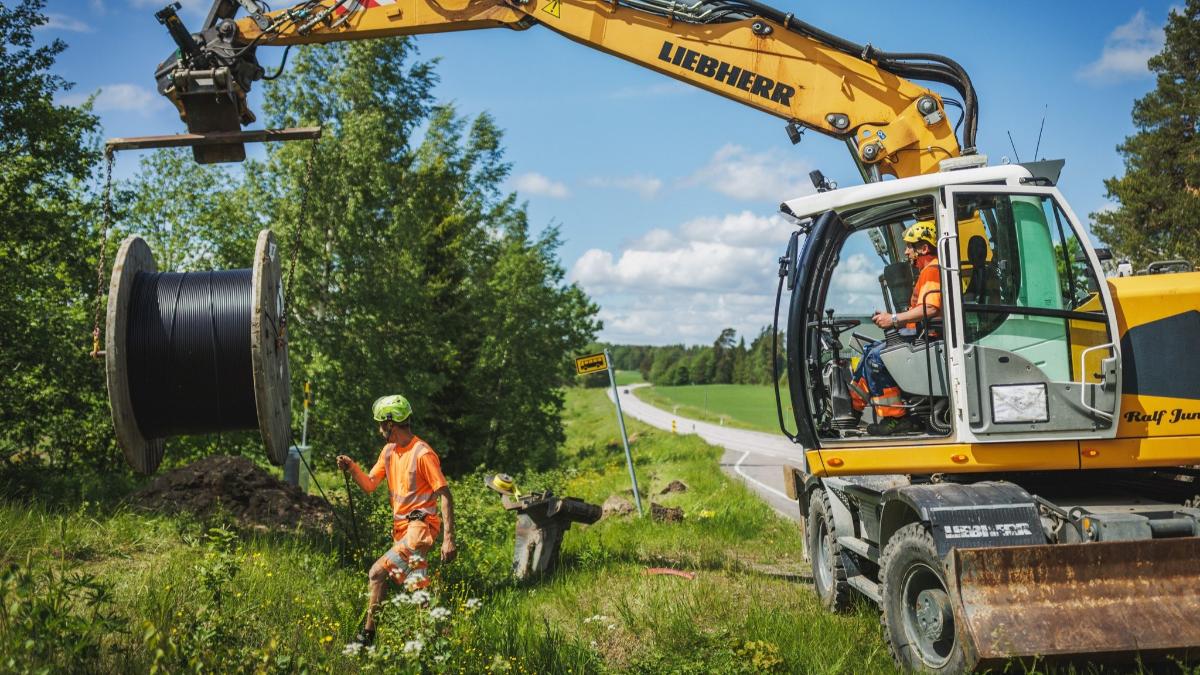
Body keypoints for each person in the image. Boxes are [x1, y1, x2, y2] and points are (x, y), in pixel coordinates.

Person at [337, 394, 457, 647]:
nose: (379, 429)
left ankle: (366, 638)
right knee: (418, 592)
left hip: (420, 529)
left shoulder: (422, 453)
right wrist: (351, 468)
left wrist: (448, 540)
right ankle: (441, 642)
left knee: (377, 573)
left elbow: (446, 496)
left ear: (391, 424)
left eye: (381, 424)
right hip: (402, 531)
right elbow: (370, 485)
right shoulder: (389, 452)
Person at [849, 220, 942, 435]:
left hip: (929, 338)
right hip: (920, 335)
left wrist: (893, 319)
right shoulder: (929, 270)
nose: (907, 252)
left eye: (910, 246)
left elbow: (930, 307)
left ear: (924, 248)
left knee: (877, 358)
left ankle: (897, 419)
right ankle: (851, 412)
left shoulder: (932, 270)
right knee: (869, 352)